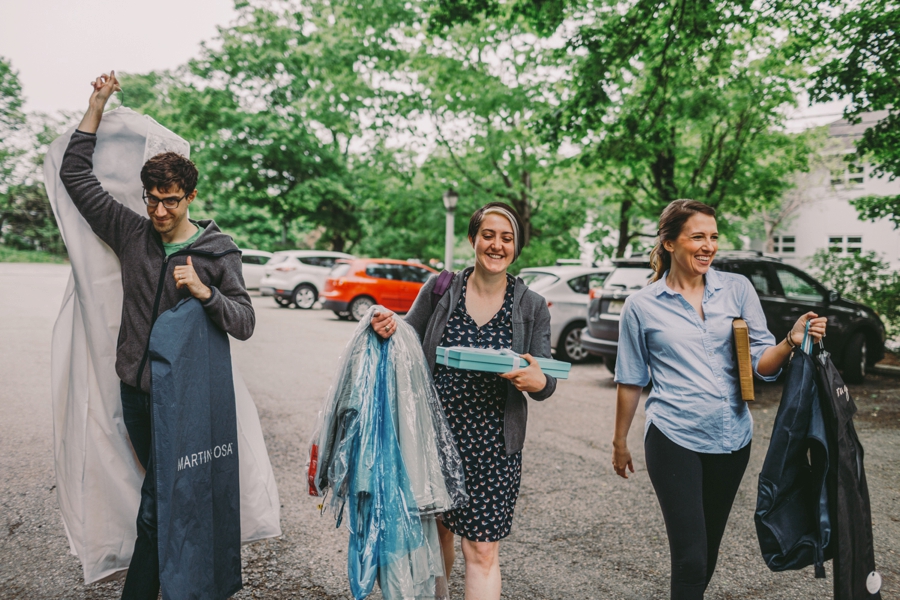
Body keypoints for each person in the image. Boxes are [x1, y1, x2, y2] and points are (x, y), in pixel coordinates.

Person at [60, 71, 255, 599]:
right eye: (152, 199)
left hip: (187, 400)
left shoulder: (218, 252)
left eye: (171, 200)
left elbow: (245, 321)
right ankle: (189, 583)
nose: (161, 211)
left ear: (190, 195)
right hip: (139, 394)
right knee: (165, 498)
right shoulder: (132, 231)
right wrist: (97, 102)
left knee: (158, 505)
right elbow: (75, 176)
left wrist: (206, 295)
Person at [610, 199, 827, 599]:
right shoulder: (641, 306)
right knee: (690, 557)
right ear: (670, 242)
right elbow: (631, 379)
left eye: (713, 237)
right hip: (673, 436)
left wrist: (790, 341)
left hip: (732, 439)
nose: (708, 245)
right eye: (698, 237)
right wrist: (620, 440)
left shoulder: (737, 289)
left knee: (706, 555)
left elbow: (762, 364)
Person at [371, 202, 556, 600]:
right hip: (433, 436)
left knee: (484, 548)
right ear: (473, 239)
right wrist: (385, 326)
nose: (496, 245)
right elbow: (405, 339)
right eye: (488, 235)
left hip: (494, 446)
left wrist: (537, 380)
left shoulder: (531, 305)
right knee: (438, 535)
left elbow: (547, 379)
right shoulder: (441, 289)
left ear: (516, 247)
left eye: (507, 238)